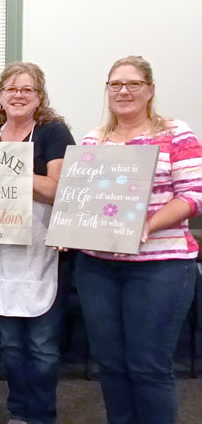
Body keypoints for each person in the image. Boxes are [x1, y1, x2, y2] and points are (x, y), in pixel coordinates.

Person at [75, 56, 202, 424]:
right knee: (110, 365)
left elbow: (193, 194)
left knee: (148, 366)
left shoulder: (176, 133)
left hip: (160, 267)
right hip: (96, 267)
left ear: (149, 90)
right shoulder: (92, 139)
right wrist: (68, 228)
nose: (123, 91)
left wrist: (147, 224)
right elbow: (81, 198)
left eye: (132, 84)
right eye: (115, 84)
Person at [0, 63, 75, 424]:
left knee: (42, 347)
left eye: (27, 89)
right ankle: (18, 411)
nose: (18, 95)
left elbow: (59, 190)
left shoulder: (53, 133)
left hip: (40, 253)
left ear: (39, 97)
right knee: (12, 346)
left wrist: (9, 170)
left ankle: (43, 414)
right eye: (11, 88)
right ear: (0, 95)